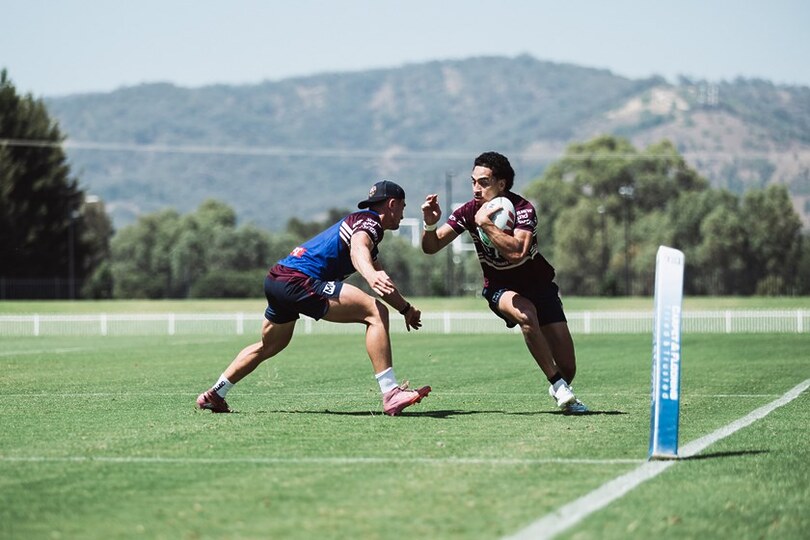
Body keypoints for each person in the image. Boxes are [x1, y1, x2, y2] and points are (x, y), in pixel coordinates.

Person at [197, 180, 431, 416]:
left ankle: (216, 393)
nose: (403, 214)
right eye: (403, 206)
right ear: (392, 204)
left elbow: (379, 275)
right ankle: (391, 393)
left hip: (277, 279)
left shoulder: (365, 229)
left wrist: (406, 309)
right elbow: (358, 248)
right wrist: (369, 275)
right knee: (376, 313)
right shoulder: (368, 222)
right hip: (299, 280)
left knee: (271, 345)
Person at [420, 152, 587, 414]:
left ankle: (559, 381)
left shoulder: (523, 210)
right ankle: (558, 384)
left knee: (568, 367)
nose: (476, 188)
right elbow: (432, 247)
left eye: (483, 182)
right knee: (526, 314)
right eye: (473, 181)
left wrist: (485, 225)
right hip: (500, 287)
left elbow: (518, 252)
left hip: (540, 286)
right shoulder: (468, 211)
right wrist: (430, 225)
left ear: (502, 184)